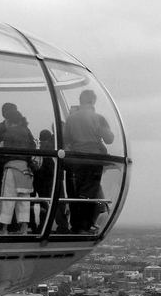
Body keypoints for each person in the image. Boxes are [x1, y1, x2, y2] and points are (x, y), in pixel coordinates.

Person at [63, 89, 113, 233]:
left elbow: (66, 140)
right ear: (92, 101)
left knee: (76, 193)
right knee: (90, 193)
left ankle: (76, 225)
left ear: (81, 101)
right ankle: (86, 225)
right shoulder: (98, 118)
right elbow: (109, 139)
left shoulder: (71, 119)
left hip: (76, 161)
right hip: (93, 161)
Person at [0, 109, 35, 235]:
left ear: (8, 120)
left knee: (8, 199)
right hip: (25, 169)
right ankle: (24, 228)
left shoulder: (8, 132)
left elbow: (4, 151)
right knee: (24, 201)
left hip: (11, 169)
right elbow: (33, 148)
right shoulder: (26, 131)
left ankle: (4, 229)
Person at [32, 129, 67, 233]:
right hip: (53, 180)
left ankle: (40, 227)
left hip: (42, 181)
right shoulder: (53, 147)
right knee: (59, 204)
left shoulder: (40, 149)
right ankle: (62, 227)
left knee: (44, 205)